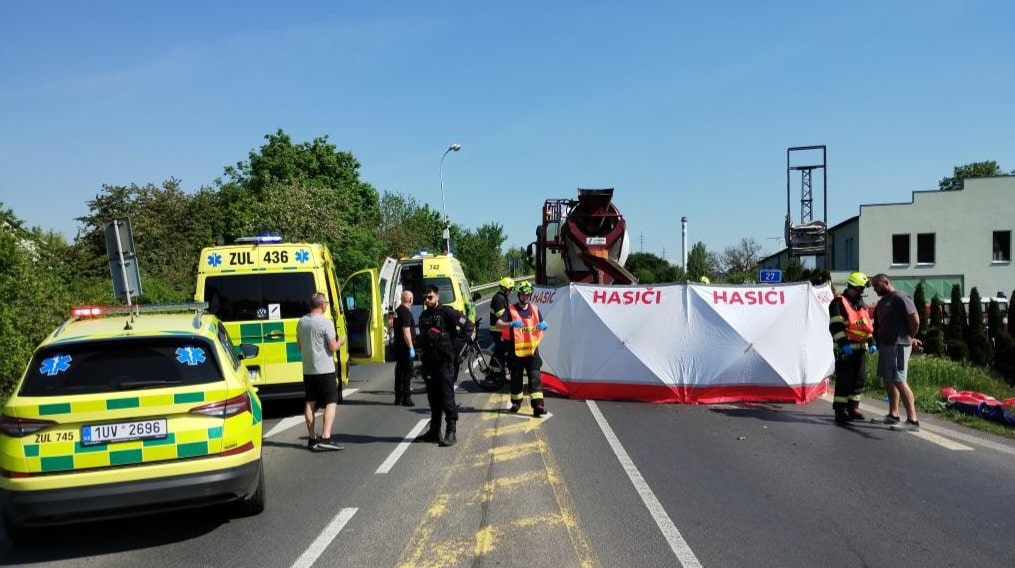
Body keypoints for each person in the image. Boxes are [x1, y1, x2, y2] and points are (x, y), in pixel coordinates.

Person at [416, 284, 474, 446]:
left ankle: (451, 431)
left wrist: (454, 347)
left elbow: (468, 326)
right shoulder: (424, 316)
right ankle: (434, 431)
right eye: (425, 297)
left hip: (445, 361)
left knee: (446, 396)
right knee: (433, 398)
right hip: (429, 362)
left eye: (430, 297)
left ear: (437, 296)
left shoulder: (447, 312)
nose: (427, 300)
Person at [871, 273, 923, 431]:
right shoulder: (882, 302)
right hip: (886, 345)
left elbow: (915, 320)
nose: (875, 290)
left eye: (877, 286)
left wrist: (909, 338)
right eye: (874, 287)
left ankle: (912, 421)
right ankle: (893, 415)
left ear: (886, 282)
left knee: (899, 379)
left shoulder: (900, 297)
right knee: (889, 379)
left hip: (898, 345)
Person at [296, 292, 346, 451]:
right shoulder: (326, 323)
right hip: (325, 369)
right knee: (331, 401)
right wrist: (340, 342)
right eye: (325, 303)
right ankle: (326, 437)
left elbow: (299, 345)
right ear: (322, 305)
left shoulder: (301, 322)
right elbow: (332, 347)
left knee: (310, 402)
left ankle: (312, 438)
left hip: (309, 369)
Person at [828, 272, 875, 424]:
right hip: (846, 349)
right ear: (852, 286)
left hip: (861, 348)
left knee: (858, 379)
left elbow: (865, 326)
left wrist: (872, 341)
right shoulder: (838, 302)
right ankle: (840, 410)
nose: (862, 292)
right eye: (860, 289)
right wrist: (843, 345)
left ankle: (853, 407)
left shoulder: (860, 303)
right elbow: (836, 326)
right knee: (845, 380)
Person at [496, 280, 549, 417]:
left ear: (530, 295)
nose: (525, 297)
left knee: (535, 378)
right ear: (519, 295)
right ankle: (516, 403)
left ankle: (538, 406)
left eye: (527, 295)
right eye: (522, 295)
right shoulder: (511, 310)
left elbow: (542, 323)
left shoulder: (536, 309)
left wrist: (544, 325)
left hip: (532, 351)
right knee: (516, 379)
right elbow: (498, 324)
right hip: (516, 352)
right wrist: (510, 323)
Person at [392, 290, 416, 407]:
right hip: (405, 347)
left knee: (399, 372)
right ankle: (407, 397)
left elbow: (392, 326)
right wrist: (411, 347)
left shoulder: (397, 311)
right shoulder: (406, 313)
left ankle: (398, 397)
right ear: (410, 300)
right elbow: (406, 331)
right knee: (407, 372)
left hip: (398, 346)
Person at [489, 277, 515, 380]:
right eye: (510, 288)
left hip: (501, 330)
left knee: (500, 351)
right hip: (498, 331)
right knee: (501, 352)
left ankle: (496, 374)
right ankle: (495, 375)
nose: (511, 291)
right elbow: (502, 315)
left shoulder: (503, 297)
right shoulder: (498, 299)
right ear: (505, 288)